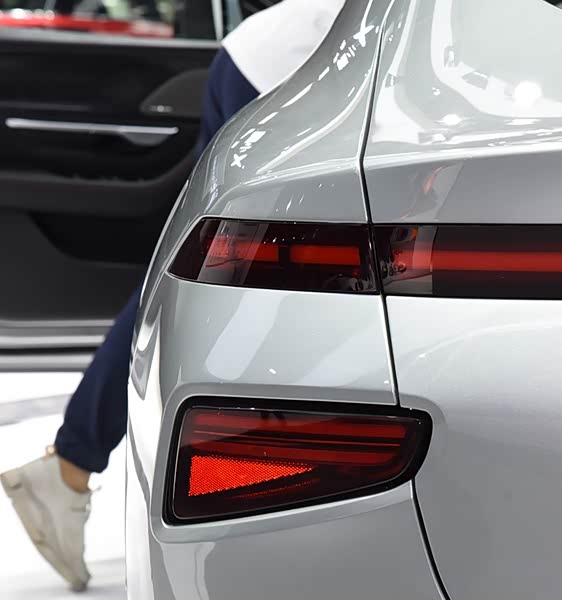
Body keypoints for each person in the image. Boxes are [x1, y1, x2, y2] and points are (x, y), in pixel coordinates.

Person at [0, 0, 345, 591]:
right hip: (291, 76)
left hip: (270, 60)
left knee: (221, 276)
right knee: (238, 279)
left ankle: (80, 461)